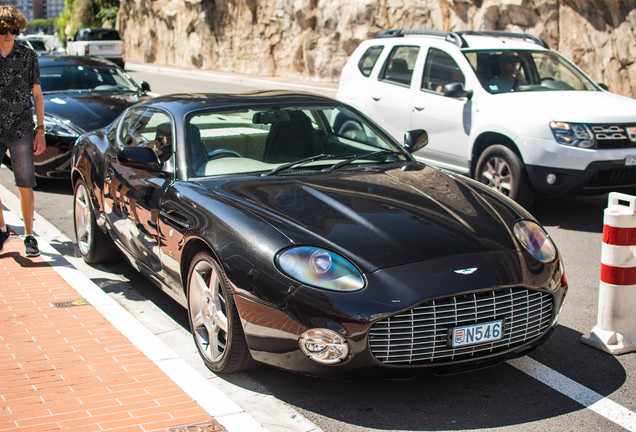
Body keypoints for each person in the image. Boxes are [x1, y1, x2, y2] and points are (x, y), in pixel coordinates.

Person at [0, 6, 46, 257]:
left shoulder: (28, 56)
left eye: (14, 30)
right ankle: (1, 229)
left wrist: (41, 129)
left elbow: (37, 95)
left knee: (25, 183)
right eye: (3, 30)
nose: (9, 35)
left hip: (21, 127)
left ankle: (29, 235)